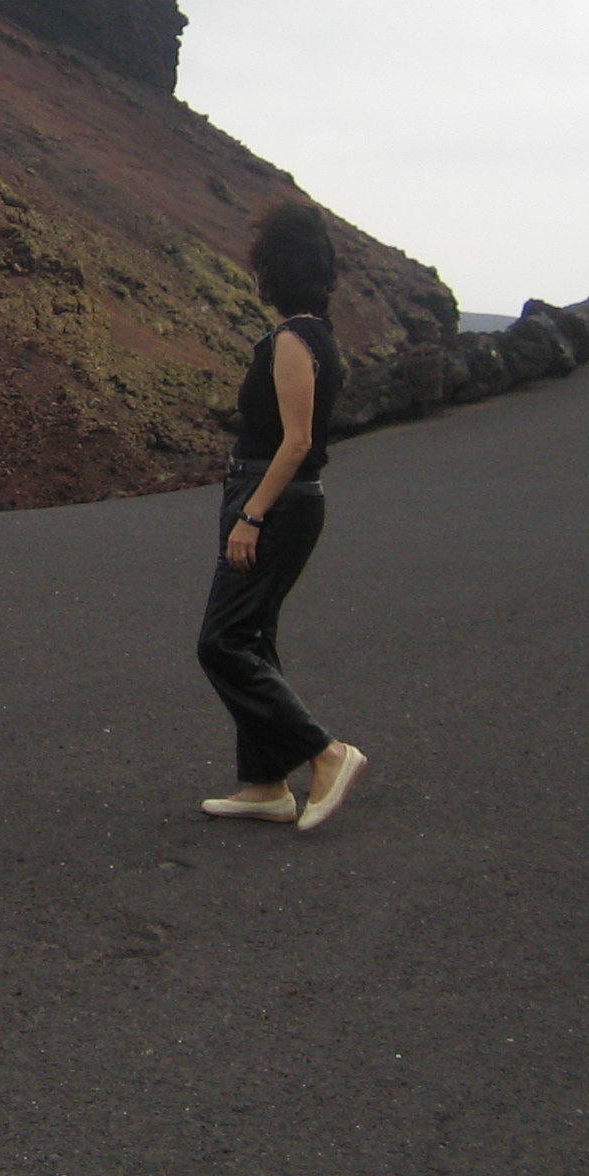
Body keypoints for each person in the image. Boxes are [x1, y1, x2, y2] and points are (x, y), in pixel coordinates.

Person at [195, 202, 368, 832]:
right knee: (254, 637)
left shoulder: (294, 340)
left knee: (221, 641)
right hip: (279, 498)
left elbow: (296, 443)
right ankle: (265, 785)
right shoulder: (315, 335)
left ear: (274, 274)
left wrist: (252, 515)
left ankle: (326, 753)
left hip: (275, 500)